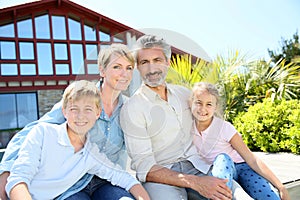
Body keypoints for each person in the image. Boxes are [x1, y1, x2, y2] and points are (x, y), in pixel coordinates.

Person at [0, 43, 137, 200]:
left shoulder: (129, 109)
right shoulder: (80, 100)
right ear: (102, 70)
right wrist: (6, 170)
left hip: (107, 182)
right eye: (117, 67)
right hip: (72, 184)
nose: (124, 73)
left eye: (129, 68)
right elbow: (31, 132)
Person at [120, 34, 233, 200]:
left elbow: (211, 126)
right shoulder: (132, 108)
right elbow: (144, 166)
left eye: (157, 60)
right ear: (138, 67)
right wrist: (195, 183)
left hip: (199, 165)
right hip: (161, 176)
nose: (152, 69)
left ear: (168, 62)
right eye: (145, 62)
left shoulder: (185, 94)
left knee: (232, 195)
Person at [5, 80, 150, 200]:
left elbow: (122, 177)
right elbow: (18, 179)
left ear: (98, 113)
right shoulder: (43, 133)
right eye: (74, 109)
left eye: (88, 109)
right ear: (64, 111)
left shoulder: (91, 153)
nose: (81, 116)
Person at [189, 82, 290, 200]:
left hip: (243, 168)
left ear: (215, 107)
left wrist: (280, 187)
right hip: (219, 172)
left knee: (268, 196)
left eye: (209, 104)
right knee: (222, 159)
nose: (203, 109)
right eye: (198, 103)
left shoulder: (224, 127)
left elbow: (252, 159)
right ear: (191, 102)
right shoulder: (187, 128)